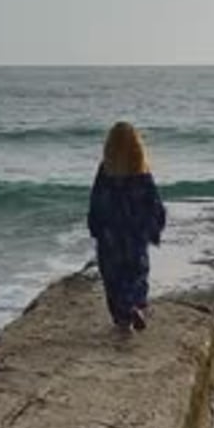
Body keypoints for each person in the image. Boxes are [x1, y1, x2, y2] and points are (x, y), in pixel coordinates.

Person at [88, 121, 166, 331]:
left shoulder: (105, 171)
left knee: (112, 277)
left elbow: (97, 200)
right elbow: (154, 203)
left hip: (110, 235)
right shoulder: (142, 172)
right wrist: (154, 228)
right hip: (135, 234)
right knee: (136, 274)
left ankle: (122, 317)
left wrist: (95, 226)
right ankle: (134, 305)